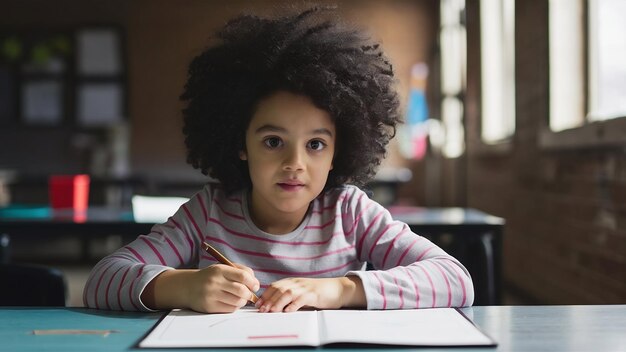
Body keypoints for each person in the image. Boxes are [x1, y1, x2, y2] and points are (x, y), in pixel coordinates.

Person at [83, 6, 474, 313]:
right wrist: (181, 286)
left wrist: (339, 289)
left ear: (340, 150)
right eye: (273, 141)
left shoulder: (351, 213)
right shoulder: (208, 213)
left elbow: (455, 280)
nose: (295, 162)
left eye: (316, 145)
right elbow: (101, 280)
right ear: (240, 143)